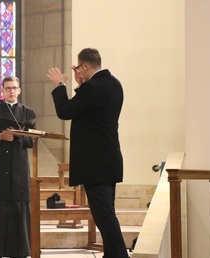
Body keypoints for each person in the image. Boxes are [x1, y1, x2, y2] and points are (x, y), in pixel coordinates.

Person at [46, 48, 129, 258]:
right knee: (106, 213)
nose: (76, 71)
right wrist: (81, 85)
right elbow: (92, 112)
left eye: (77, 67)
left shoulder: (92, 88)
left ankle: (120, 255)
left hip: (95, 163)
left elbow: (65, 111)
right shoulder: (114, 84)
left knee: (104, 216)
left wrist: (60, 85)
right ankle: (111, 254)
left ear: (83, 67)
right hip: (109, 160)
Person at [0, 76, 35, 258]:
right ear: (2, 90)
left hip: (19, 169)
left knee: (19, 210)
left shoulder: (28, 113)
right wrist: (0, 137)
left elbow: (32, 141)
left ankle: (19, 252)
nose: (11, 91)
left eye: (14, 88)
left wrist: (19, 135)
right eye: (8, 88)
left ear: (19, 90)